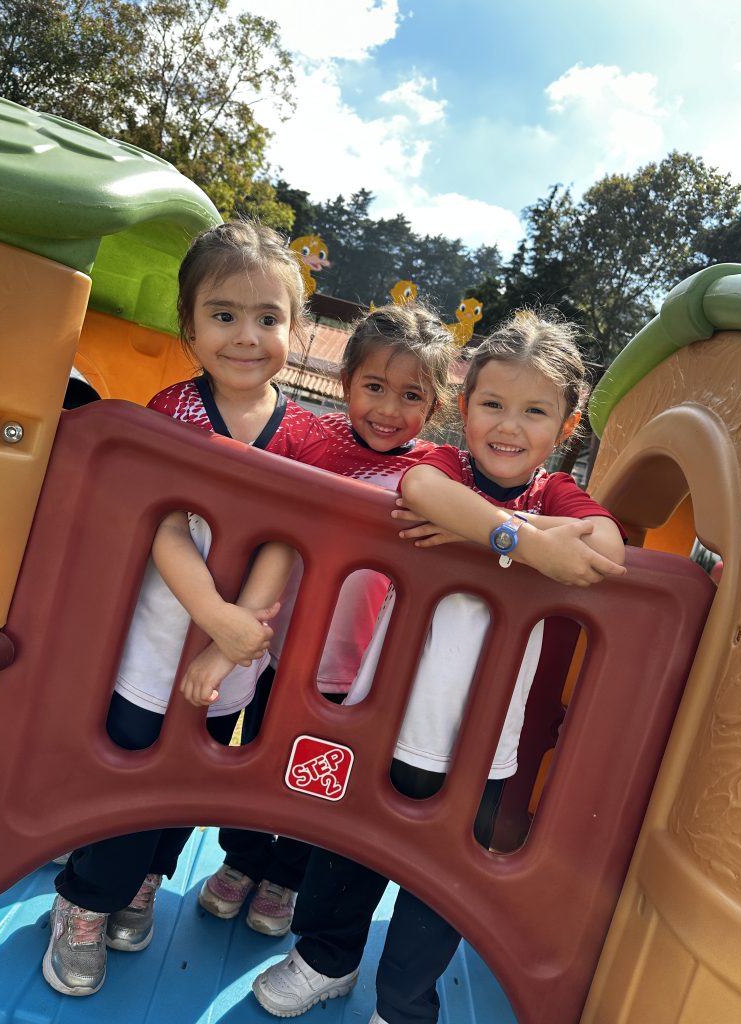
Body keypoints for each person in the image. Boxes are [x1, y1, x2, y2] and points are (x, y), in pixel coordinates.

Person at [251, 310, 627, 1024]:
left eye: (534, 411)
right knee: (348, 842)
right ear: (464, 409)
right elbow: (422, 495)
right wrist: (523, 541)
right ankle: (326, 959)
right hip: (384, 707)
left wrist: (505, 536)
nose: (508, 426)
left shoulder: (554, 498)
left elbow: (603, 544)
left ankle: (404, 1002)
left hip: (483, 738)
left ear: (567, 426)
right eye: (491, 404)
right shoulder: (445, 467)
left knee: (443, 877)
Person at [42, 219, 331, 997]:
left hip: (238, 644)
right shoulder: (176, 410)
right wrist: (211, 615)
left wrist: (233, 639)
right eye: (224, 315)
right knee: (131, 768)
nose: (247, 336)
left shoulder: (301, 433)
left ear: (294, 330)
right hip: (157, 637)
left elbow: (287, 536)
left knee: (185, 777)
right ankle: (82, 903)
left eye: (268, 318)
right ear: (190, 327)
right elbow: (167, 524)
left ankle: (143, 879)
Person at [193, 303, 454, 938]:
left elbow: (476, 515)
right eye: (374, 388)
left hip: (354, 668)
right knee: (255, 753)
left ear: (436, 403)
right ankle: (242, 859)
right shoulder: (314, 438)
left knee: (319, 776)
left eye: (411, 395)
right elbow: (247, 464)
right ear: (346, 384)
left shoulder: (439, 470)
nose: (389, 410)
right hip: (279, 648)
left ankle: (286, 874)